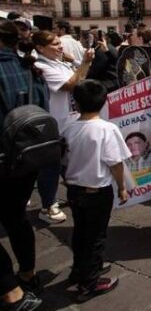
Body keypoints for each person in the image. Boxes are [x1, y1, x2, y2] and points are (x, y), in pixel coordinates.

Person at [61, 80, 129, 302]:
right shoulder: (107, 129)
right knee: (96, 237)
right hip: (96, 192)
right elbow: (115, 163)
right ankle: (89, 283)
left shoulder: (68, 127)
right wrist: (122, 187)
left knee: (81, 231)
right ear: (103, 102)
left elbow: (64, 160)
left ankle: (80, 269)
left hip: (74, 190)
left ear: (76, 103)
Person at [0, 20, 46, 311]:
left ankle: (10, 290)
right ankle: (28, 273)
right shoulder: (31, 68)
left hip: (3, 159)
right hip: (29, 157)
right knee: (17, 217)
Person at [33, 30, 95, 224]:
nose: (60, 46)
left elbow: (81, 81)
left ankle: (73, 194)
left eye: (60, 42)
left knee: (67, 164)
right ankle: (48, 205)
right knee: (51, 166)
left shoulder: (58, 63)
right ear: (40, 48)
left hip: (69, 123)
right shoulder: (40, 66)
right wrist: (83, 62)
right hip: (54, 125)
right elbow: (71, 85)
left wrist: (80, 63)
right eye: (55, 44)